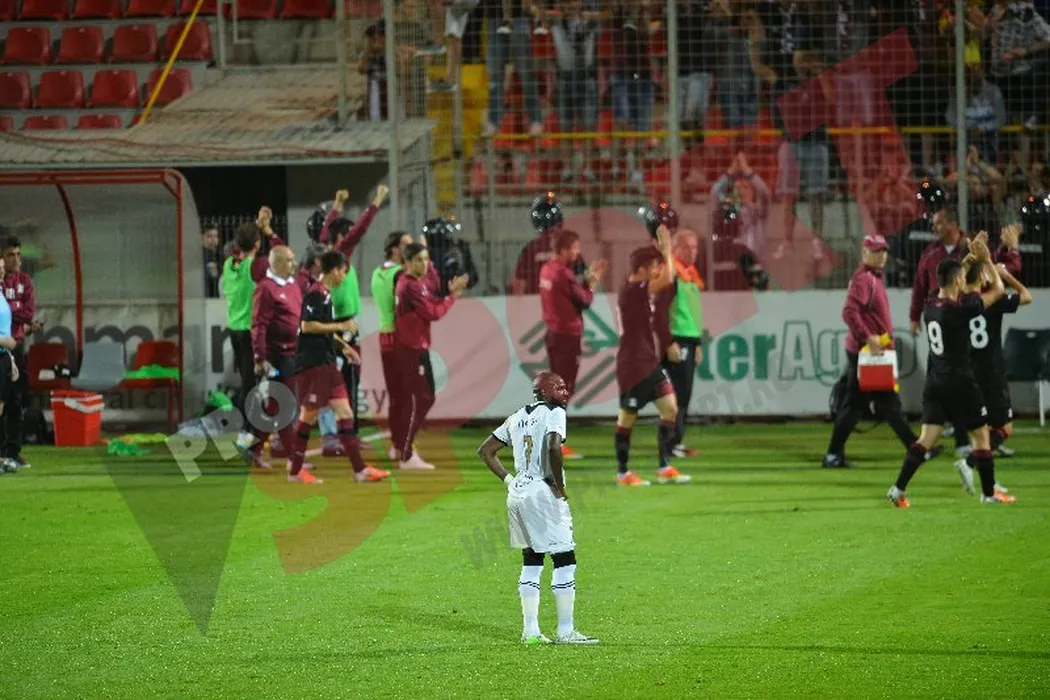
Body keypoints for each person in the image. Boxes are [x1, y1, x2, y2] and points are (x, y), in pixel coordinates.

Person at [886, 234, 1015, 507]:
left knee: (926, 438)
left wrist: (969, 258)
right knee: (982, 435)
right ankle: (989, 493)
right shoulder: (962, 310)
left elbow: (955, 281)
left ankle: (898, 489)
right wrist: (986, 260)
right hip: (961, 383)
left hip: (935, 382)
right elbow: (998, 291)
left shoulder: (930, 304)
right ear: (958, 281)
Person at [476, 370, 598, 645]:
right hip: (543, 492)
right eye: (559, 387)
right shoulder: (555, 412)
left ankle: (530, 631)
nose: (565, 392)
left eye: (565, 387)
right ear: (543, 391)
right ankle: (565, 631)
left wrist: (509, 480)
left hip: (518, 492)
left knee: (532, 560)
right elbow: (554, 446)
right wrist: (558, 486)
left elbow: (485, 450)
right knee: (564, 559)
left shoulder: (516, 416)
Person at [285, 250, 391, 486]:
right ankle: (295, 471)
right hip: (313, 365)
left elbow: (323, 329)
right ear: (334, 271)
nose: (344, 275)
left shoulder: (325, 294)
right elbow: (307, 326)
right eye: (343, 271)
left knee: (345, 414)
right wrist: (342, 325)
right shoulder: (315, 293)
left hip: (327, 363)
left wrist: (344, 347)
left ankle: (360, 470)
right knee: (308, 416)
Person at [823, 235, 927, 468]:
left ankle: (916, 448)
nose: (882, 256)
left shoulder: (873, 278)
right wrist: (868, 337)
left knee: (882, 404)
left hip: (871, 352)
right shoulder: (865, 279)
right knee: (870, 404)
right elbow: (849, 312)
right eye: (876, 251)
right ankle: (833, 455)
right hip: (867, 352)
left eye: (884, 251)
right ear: (864, 253)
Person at [614, 230, 690, 487]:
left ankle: (664, 466)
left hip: (648, 362)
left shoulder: (639, 289)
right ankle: (623, 472)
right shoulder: (632, 290)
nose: (658, 270)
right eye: (654, 266)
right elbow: (668, 278)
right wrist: (667, 251)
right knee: (627, 417)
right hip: (632, 365)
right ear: (642, 269)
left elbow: (668, 279)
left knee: (670, 408)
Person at [954, 260, 1032, 495]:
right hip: (991, 373)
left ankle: (990, 480)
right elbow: (1026, 296)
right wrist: (1005, 276)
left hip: (967, 372)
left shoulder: (958, 303)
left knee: (982, 430)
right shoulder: (993, 301)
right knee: (1005, 428)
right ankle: (969, 463)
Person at [392, 243, 469, 470]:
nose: (424, 264)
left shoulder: (416, 281)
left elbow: (433, 286)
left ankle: (403, 447)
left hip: (415, 348)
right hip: (410, 350)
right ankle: (406, 454)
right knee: (423, 398)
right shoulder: (410, 285)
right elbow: (433, 313)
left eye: (426, 259)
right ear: (407, 262)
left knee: (421, 398)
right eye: (419, 259)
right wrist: (453, 296)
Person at [538, 229, 607, 459]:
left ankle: (549, 439)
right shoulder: (563, 274)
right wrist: (591, 283)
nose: (578, 253)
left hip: (553, 333)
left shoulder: (546, 269)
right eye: (575, 248)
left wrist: (584, 281)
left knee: (555, 389)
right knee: (563, 389)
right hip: (566, 336)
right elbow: (585, 300)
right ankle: (554, 442)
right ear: (565, 249)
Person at [244, 246, 303, 471]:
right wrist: (260, 357)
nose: (293, 263)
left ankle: (255, 449)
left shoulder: (293, 285)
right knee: (284, 405)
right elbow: (258, 324)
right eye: (289, 260)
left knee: (276, 406)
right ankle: (293, 457)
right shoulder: (265, 288)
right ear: (276, 263)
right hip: (275, 357)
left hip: (292, 354)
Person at [371, 230, 415, 463]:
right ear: (395, 249)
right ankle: (404, 446)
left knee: (396, 395)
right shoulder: (401, 275)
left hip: (384, 336)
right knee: (407, 396)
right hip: (400, 338)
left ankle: (396, 445)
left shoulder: (377, 272)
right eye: (407, 245)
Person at [662, 229, 704, 459]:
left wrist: (697, 343)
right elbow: (660, 310)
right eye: (686, 247)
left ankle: (675, 441)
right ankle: (669, 444)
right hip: (676, 339)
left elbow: (692, 313)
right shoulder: (672, 274)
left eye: (695, 247)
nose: (692, 251)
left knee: (683, 394)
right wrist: (668, 341)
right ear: (675, 249)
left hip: (688, 339)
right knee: (676, 395)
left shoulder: (690, 275)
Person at [0, 237, 37, 470]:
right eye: (10, 255)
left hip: (16, 347)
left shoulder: (26, 281)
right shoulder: (1, 282)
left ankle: (13, 452)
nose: (15, 259)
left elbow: (29, 312)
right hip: (2, 345)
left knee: (15, 401)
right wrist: (17, 310)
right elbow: (19, 313)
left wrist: (13, 311)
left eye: (18, 255)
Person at [223, 223, 262, 438]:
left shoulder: (229, 264)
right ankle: (245, 429)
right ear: (257, 243)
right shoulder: (253, 267)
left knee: (247, 379)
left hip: (234, 329)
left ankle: (249, 426)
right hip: (248, 330)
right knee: (249, 382)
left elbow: (239, 256)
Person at [511, 193, 575, 295]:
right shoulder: (570, 247)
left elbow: (518, 287)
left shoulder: (530, 249)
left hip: (535, 301)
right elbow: (580, 282)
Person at [0, 253, 23, 474]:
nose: (1, 272)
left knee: (3, 408)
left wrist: (11, 359)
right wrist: (3, 341)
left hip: (3, 357)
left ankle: (2, 456)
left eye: (1, 268)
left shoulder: (1, 293)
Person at [202, 227, 221, 298]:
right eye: (209, 236)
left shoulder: (219, 255)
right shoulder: (202, 255)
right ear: (202, 238)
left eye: (216, 236)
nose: (213, 239)